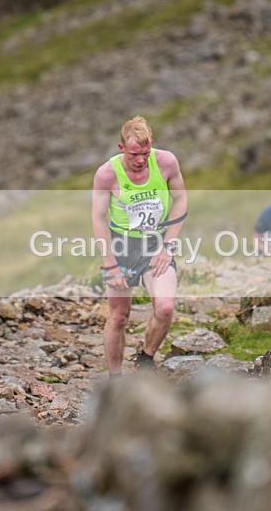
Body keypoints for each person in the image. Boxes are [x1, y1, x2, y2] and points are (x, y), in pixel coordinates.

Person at [91, 116, 187, 377]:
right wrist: (110, 265)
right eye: (134, 154)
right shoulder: (107, 174)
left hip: (156, 244)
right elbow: (98, 219)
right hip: (122, 246)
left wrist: (168, 246)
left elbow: (180, 200)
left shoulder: (166, 162)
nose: (140, 160)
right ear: (122, 148)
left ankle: (145, 357)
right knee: (119, 316)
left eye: (145, 153)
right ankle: (115, 377)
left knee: (165, 308)